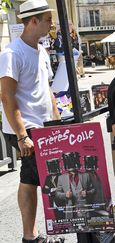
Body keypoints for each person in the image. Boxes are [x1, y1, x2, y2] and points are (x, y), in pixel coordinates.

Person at [0, 1, 62, 242]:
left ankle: (34, 235)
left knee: (36, 177)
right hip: (26, 128)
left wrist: (58, 126)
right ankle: (30, 236)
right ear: (33, 21)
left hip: (45, 126)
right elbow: (6, 96)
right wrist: (22, 135)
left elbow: (48, 92)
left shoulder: (42, 51)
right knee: (33, 176)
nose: (52, 23)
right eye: (48, 19)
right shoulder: (11, 53)